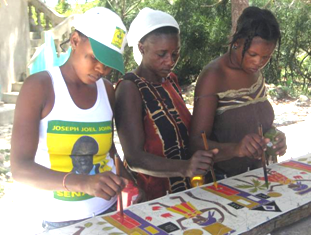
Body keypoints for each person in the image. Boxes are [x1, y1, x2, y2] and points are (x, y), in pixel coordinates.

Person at [10, 7, 142, 230]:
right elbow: (20, 169)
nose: (102, 68)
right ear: (74, 40)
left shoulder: (107, 91)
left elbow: (108, 151)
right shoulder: (40, 87)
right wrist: (82, 183)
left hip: (109, 211)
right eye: (95, 57)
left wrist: (130, 181)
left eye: (109, 63)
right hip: (59, 221)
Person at [115, 7, 218, 201]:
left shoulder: (170, 80)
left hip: (185, 187)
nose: (170, 61)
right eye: (161, 54)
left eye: (175, 53)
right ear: (142, 48)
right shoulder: (130, 88)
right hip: (153, 194)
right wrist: (185, 167)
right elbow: (134, 158)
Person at [189, 6, 287, 181]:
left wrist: (275, 136)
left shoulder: (254, 71)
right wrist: (236, 149)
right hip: (226, 182)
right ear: (237, 42)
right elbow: (196, 144)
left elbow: (256, 121)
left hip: (260, 175)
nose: (258, 62)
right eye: (252, 54)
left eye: (266, 57)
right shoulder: (213, 76)